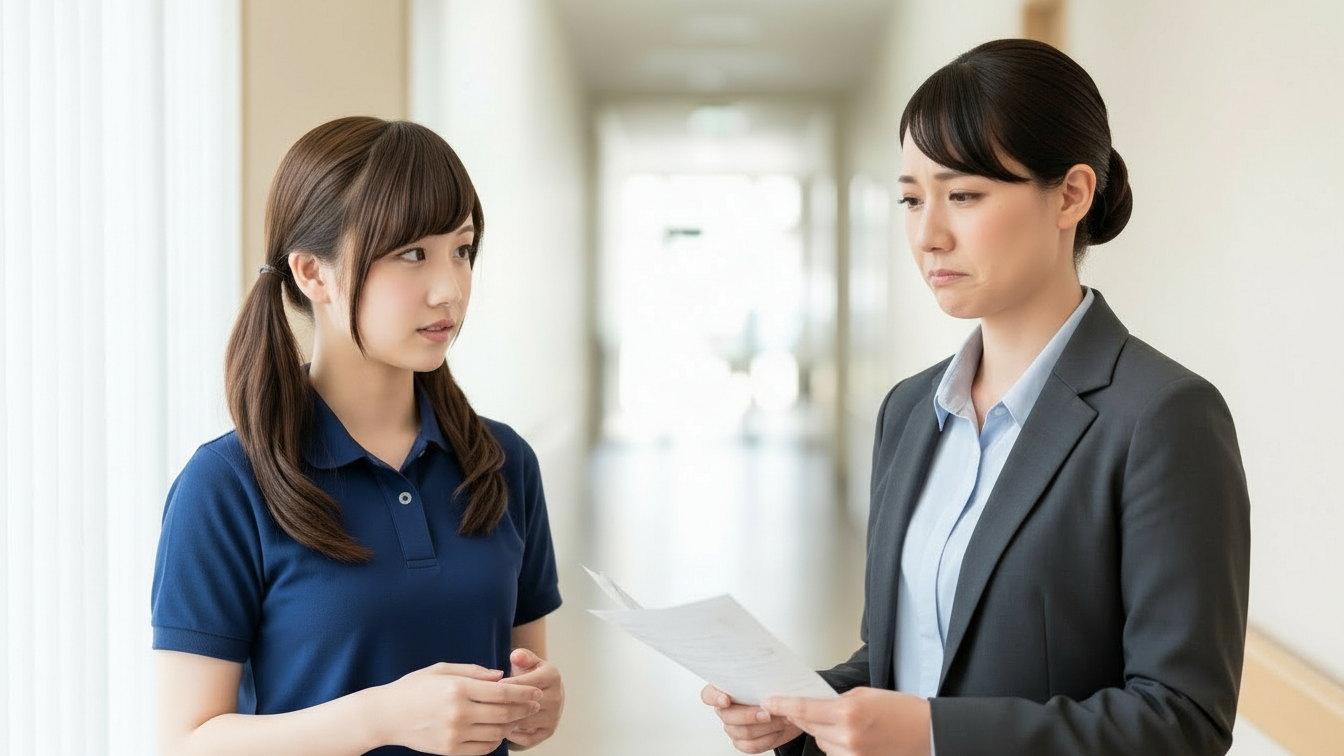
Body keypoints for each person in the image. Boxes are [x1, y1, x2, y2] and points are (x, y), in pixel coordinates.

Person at [702, 38, 1250, 756]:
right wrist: (807, 706)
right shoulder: (909, 410)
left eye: (963, 195)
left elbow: (1182, 722)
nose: (927, 235)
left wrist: (932, 735)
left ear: (1072, 194)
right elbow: (905, 658)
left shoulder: (1162, 417)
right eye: (910, 198)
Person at [151, 116, 564, 756]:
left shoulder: (502, 461)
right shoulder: (227, 484)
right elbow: (187, 741)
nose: (449, 288)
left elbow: (522, 678)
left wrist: (535, 707)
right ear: (313, 273)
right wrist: (382, 719)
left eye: (461, 249)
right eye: (411, 255)